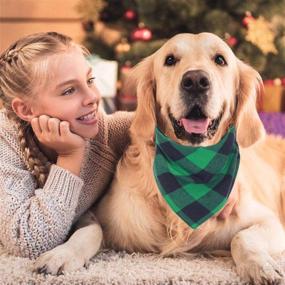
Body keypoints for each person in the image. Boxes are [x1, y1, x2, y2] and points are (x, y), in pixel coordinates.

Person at [0, 32, 237, 261]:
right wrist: (70, 156)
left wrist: (223, 178)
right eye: (69, 90)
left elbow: (180, 130)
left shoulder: (109, 131)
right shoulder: (5, 145)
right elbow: (30, 242)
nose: (92, 97)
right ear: (26, 110)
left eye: (90, 80)